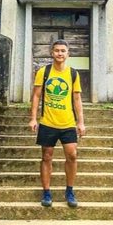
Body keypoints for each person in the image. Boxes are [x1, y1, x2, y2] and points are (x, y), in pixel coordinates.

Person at [29, 39, 86, 208]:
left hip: (67, 123)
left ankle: (70, 191)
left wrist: (81, 122)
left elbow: (77, 99)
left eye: (63, 51)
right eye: (57, 50)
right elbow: (36, 96)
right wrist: (33, 118)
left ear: (68, 54)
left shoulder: (73, 74)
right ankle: (46, 192)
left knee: (72, 155)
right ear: (51, 53)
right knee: (46, 156)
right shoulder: (43, 72)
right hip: (48, 122)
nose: (60, 53)